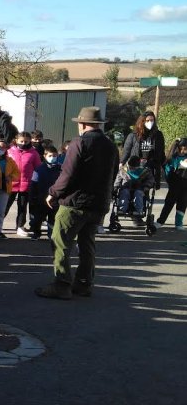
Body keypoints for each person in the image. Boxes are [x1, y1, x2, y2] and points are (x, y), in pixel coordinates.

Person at [36, 107, 119, 300]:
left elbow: (68, 174)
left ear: (81, 124)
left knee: (60, 241)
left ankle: (62, 284)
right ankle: (83, 283)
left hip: (75, 204)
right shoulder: (110, 146)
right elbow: (113, 174)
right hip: (98, 204)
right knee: (87, 244)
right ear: (99, 124)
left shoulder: (79, 143)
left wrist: (53, 193)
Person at [6, 132, 42, 237]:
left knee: (22, 207)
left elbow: (38, 168)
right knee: (6, 205)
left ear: (30, 141)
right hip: (11, 183)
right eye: (21, 141)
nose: (23, 143)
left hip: (26, 185)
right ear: (16, 140)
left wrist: (35, 182)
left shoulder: (33, 153)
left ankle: (20, 226)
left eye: (26, 141)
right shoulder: (9, 151)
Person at [121, 111, 166, 189]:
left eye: (152, 120)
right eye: (147, 120)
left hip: (150, 167)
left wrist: (163, 164)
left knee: (145, 189)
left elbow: (161, 152)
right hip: (135, 166)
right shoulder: (134, 135)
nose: (150, 122)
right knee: (132, 188)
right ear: (142, 121)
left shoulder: (158, 135)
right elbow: (127, 151)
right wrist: (122, 162)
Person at [29, 145, 63, 240]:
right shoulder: (39, 169)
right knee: (38, 218)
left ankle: (51, 234)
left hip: (55, 198)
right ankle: (36, 233)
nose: (53, 158)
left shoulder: (61, 169)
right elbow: (33, 183)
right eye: (50, 155)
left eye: (55, 156)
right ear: (45, 156)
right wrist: (32, 197)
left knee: (53, 218)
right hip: (41, 197)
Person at [156, 139, 187, 230]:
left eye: (185, 148)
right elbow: (168, 171)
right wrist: (180, 167)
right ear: (179, 148)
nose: (183, 151)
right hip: (175, 184)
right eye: (182, 148)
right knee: (169, 203)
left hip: (185, 185)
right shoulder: (173, 158)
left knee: (182, 204)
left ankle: (178, 224)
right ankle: (160, 221)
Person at [114, 155, 154, 222]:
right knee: (124, 192)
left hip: (140, 188)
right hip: (126, 187)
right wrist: (115, 187)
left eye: (133, 168)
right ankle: (122, 209)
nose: (131, 169)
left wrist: (146, 186)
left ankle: (138, 210)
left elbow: (151, 180)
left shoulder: (145, 171)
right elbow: (118, 180)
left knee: (138, 193)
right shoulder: (123, 170)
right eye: (130, 167)